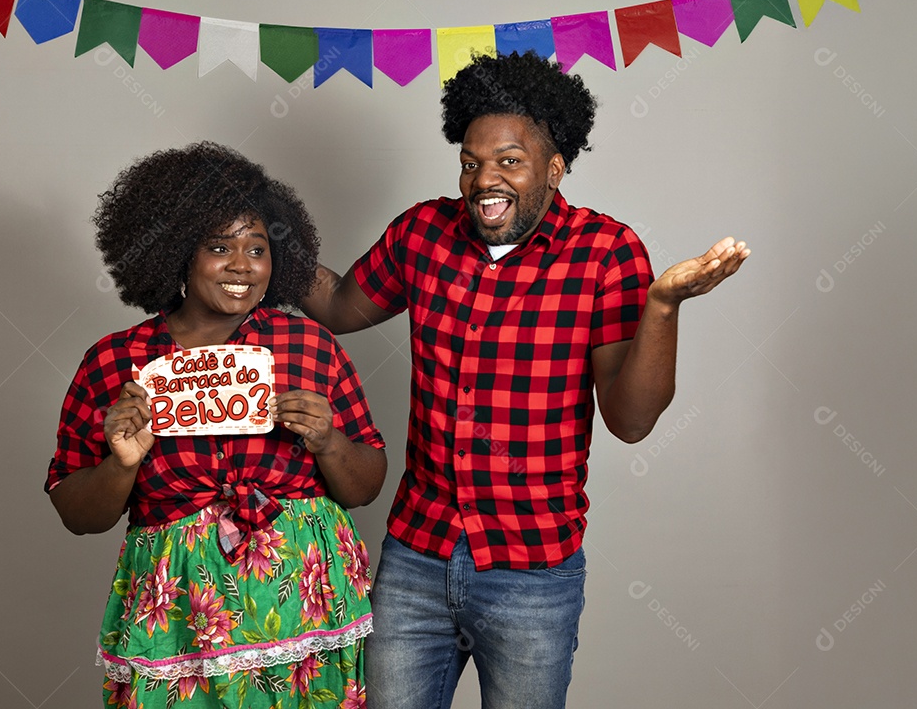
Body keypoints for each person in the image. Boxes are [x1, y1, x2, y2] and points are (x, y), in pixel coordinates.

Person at [301, 51, 750, 708]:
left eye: (509, 160)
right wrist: (262, 237)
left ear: (555, 166)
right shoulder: (422, 233)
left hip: (532, 572)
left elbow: (629, 420)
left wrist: (662, 307)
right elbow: (340, 306)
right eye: (471, 160)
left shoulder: (607, 253)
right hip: (415, 558)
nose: (486, 178)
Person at [46, 142, 386, 708]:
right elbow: (78, 515)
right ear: (177, 253)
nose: (242, 266)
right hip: (179, 607)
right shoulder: (115, 361)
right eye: (219, 247)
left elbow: (366, 485)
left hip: (306, 596)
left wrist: (328, 441)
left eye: (257, 249)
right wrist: (121, 464)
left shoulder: (308, 347)